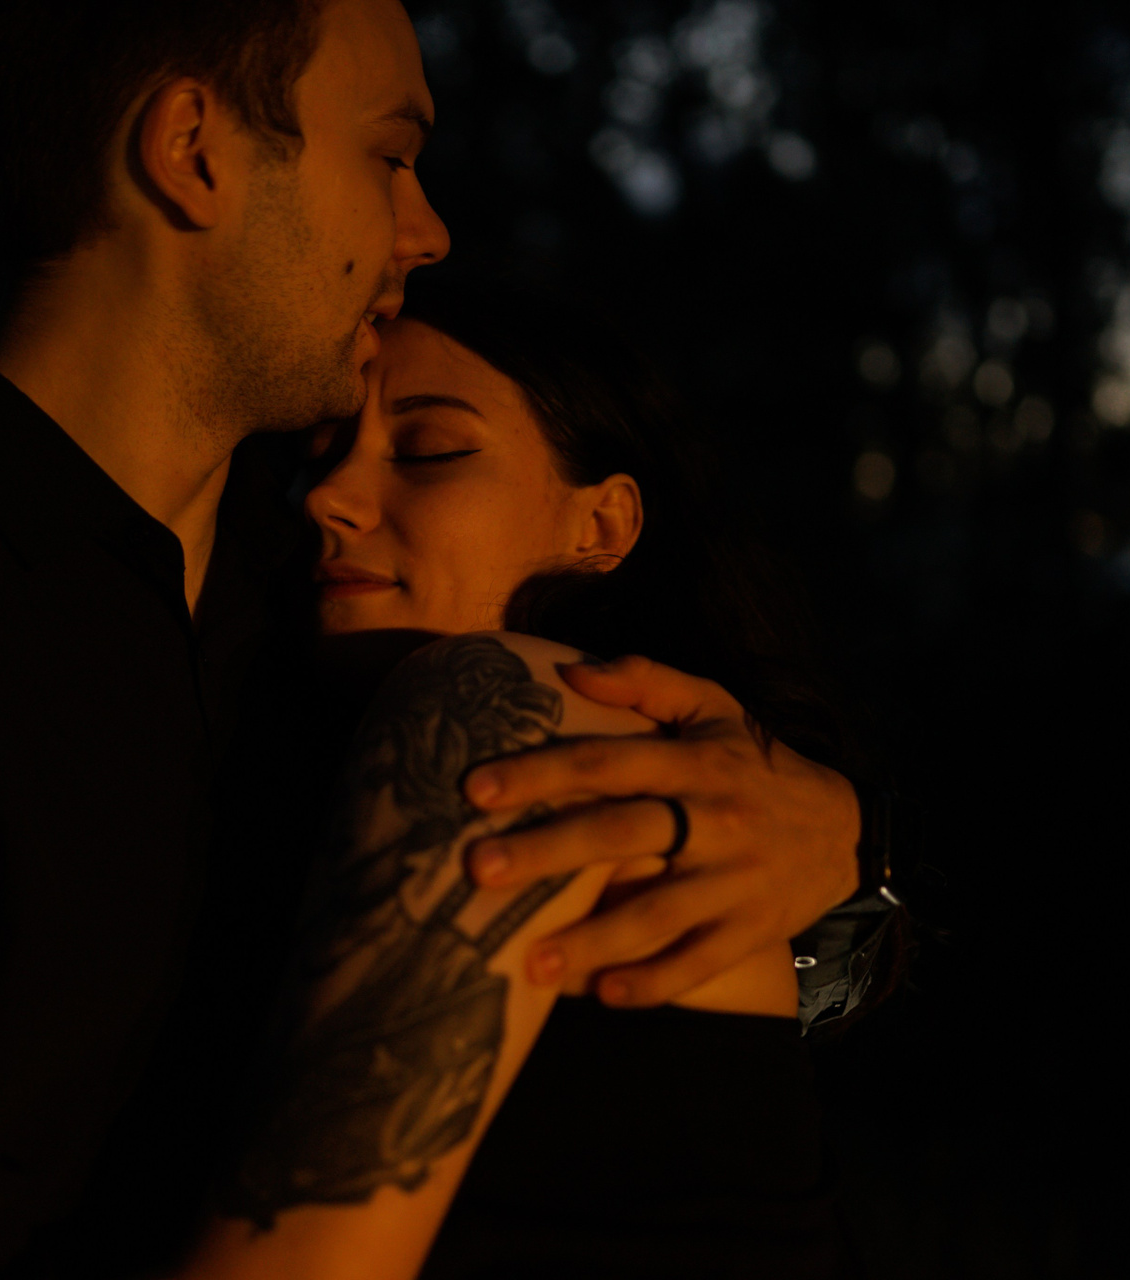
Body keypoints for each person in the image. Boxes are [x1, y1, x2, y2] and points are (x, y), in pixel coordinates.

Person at [0, 0, 866, 1274]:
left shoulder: (338, 614)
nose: (428, 230)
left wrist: (836, 857)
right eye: (389, 155)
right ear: (193, 150)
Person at [290, 276, 901, 1277]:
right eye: (316, 454)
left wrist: (857, 864)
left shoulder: (526, 722)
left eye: (430, 450)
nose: (325, 497)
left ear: (603, 525)